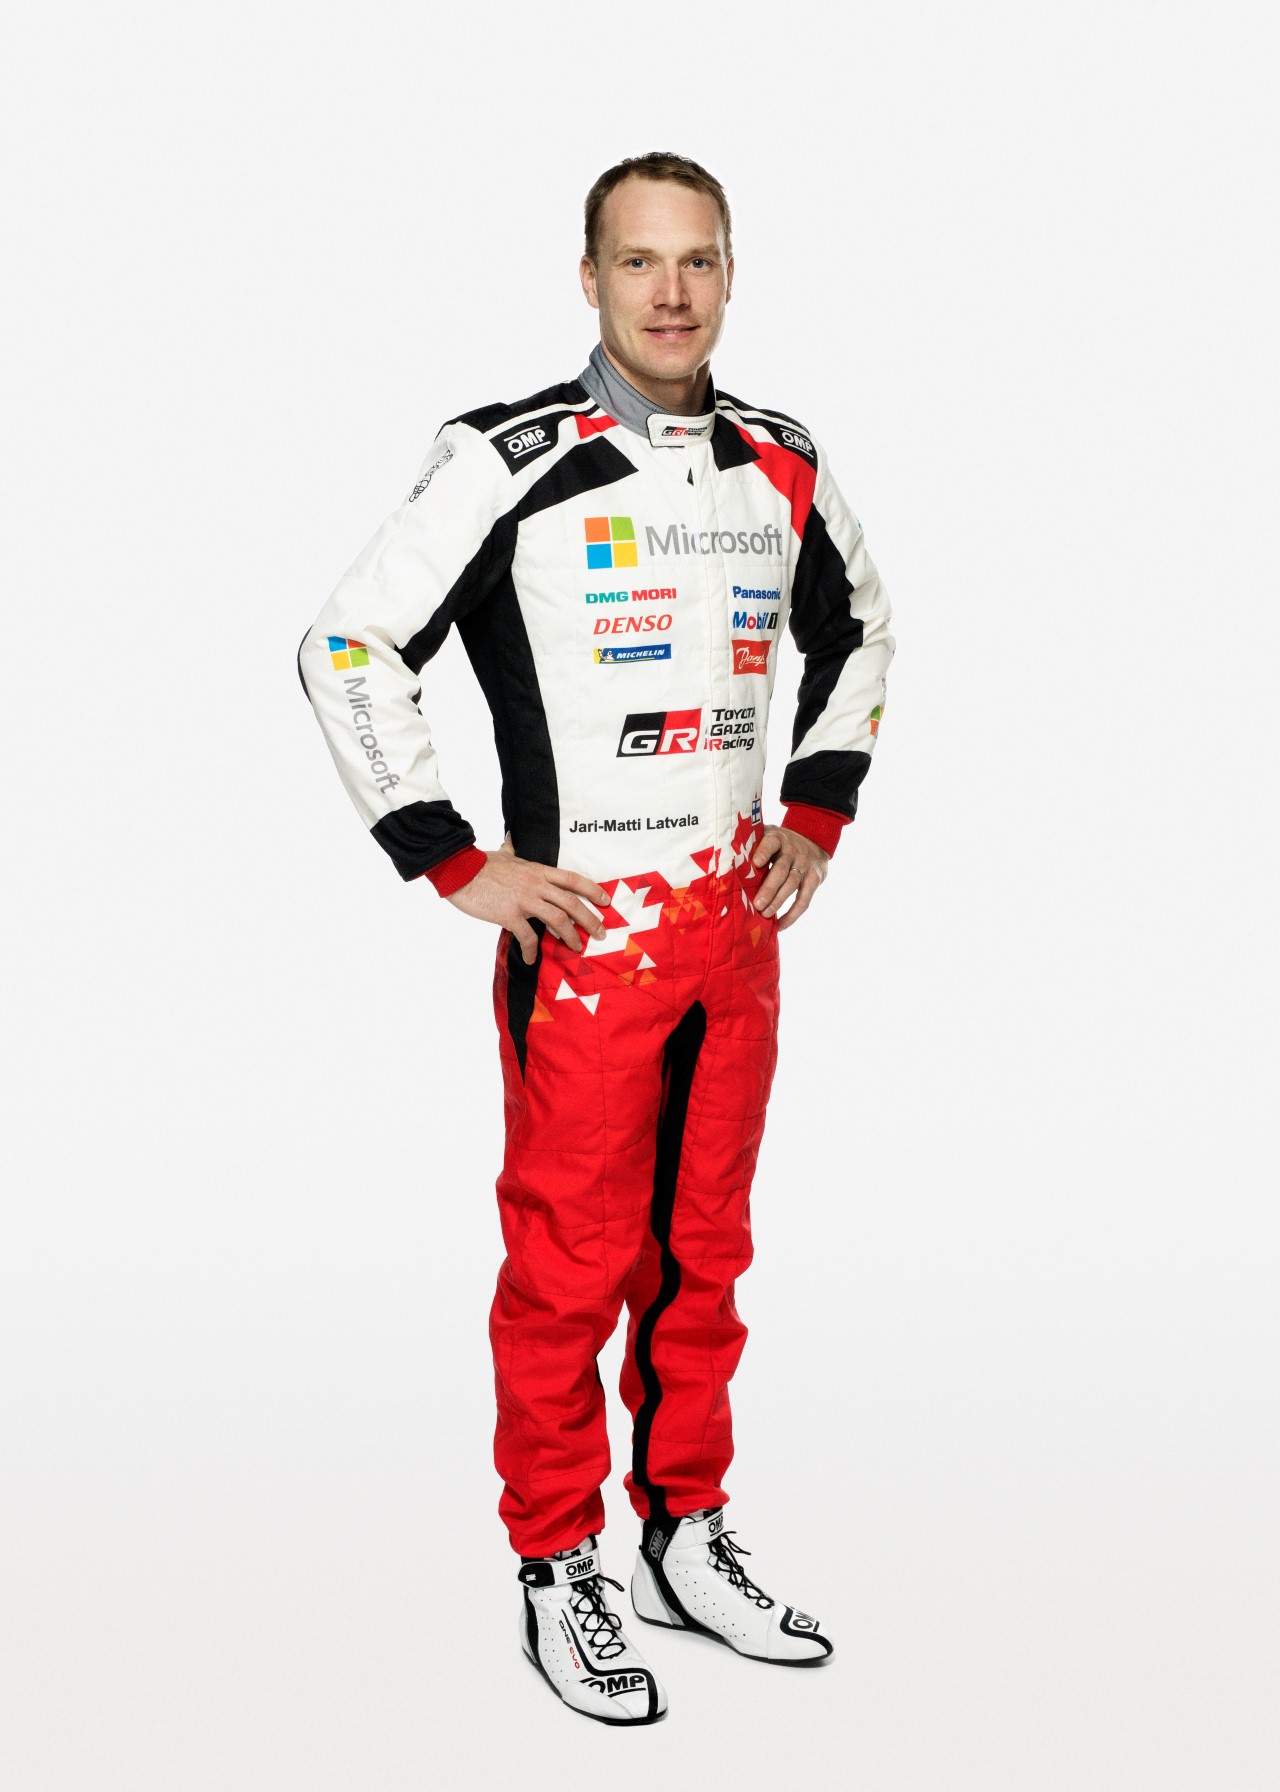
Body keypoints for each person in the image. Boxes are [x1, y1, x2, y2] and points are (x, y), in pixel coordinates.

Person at [296, 151, 894, 1726]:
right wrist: (451, 858)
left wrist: (816, 812)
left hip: (735, 939)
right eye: (639, 261)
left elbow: (862, 629)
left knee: (706, 1257)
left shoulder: (782, 462)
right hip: (586, 947)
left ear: (731, 274)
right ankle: (559, 1559)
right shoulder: (511, 459)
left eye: (698, 260)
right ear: (590, 278)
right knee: (571, 1268)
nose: (671, 292)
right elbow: (349, 643)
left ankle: (684, 1533)